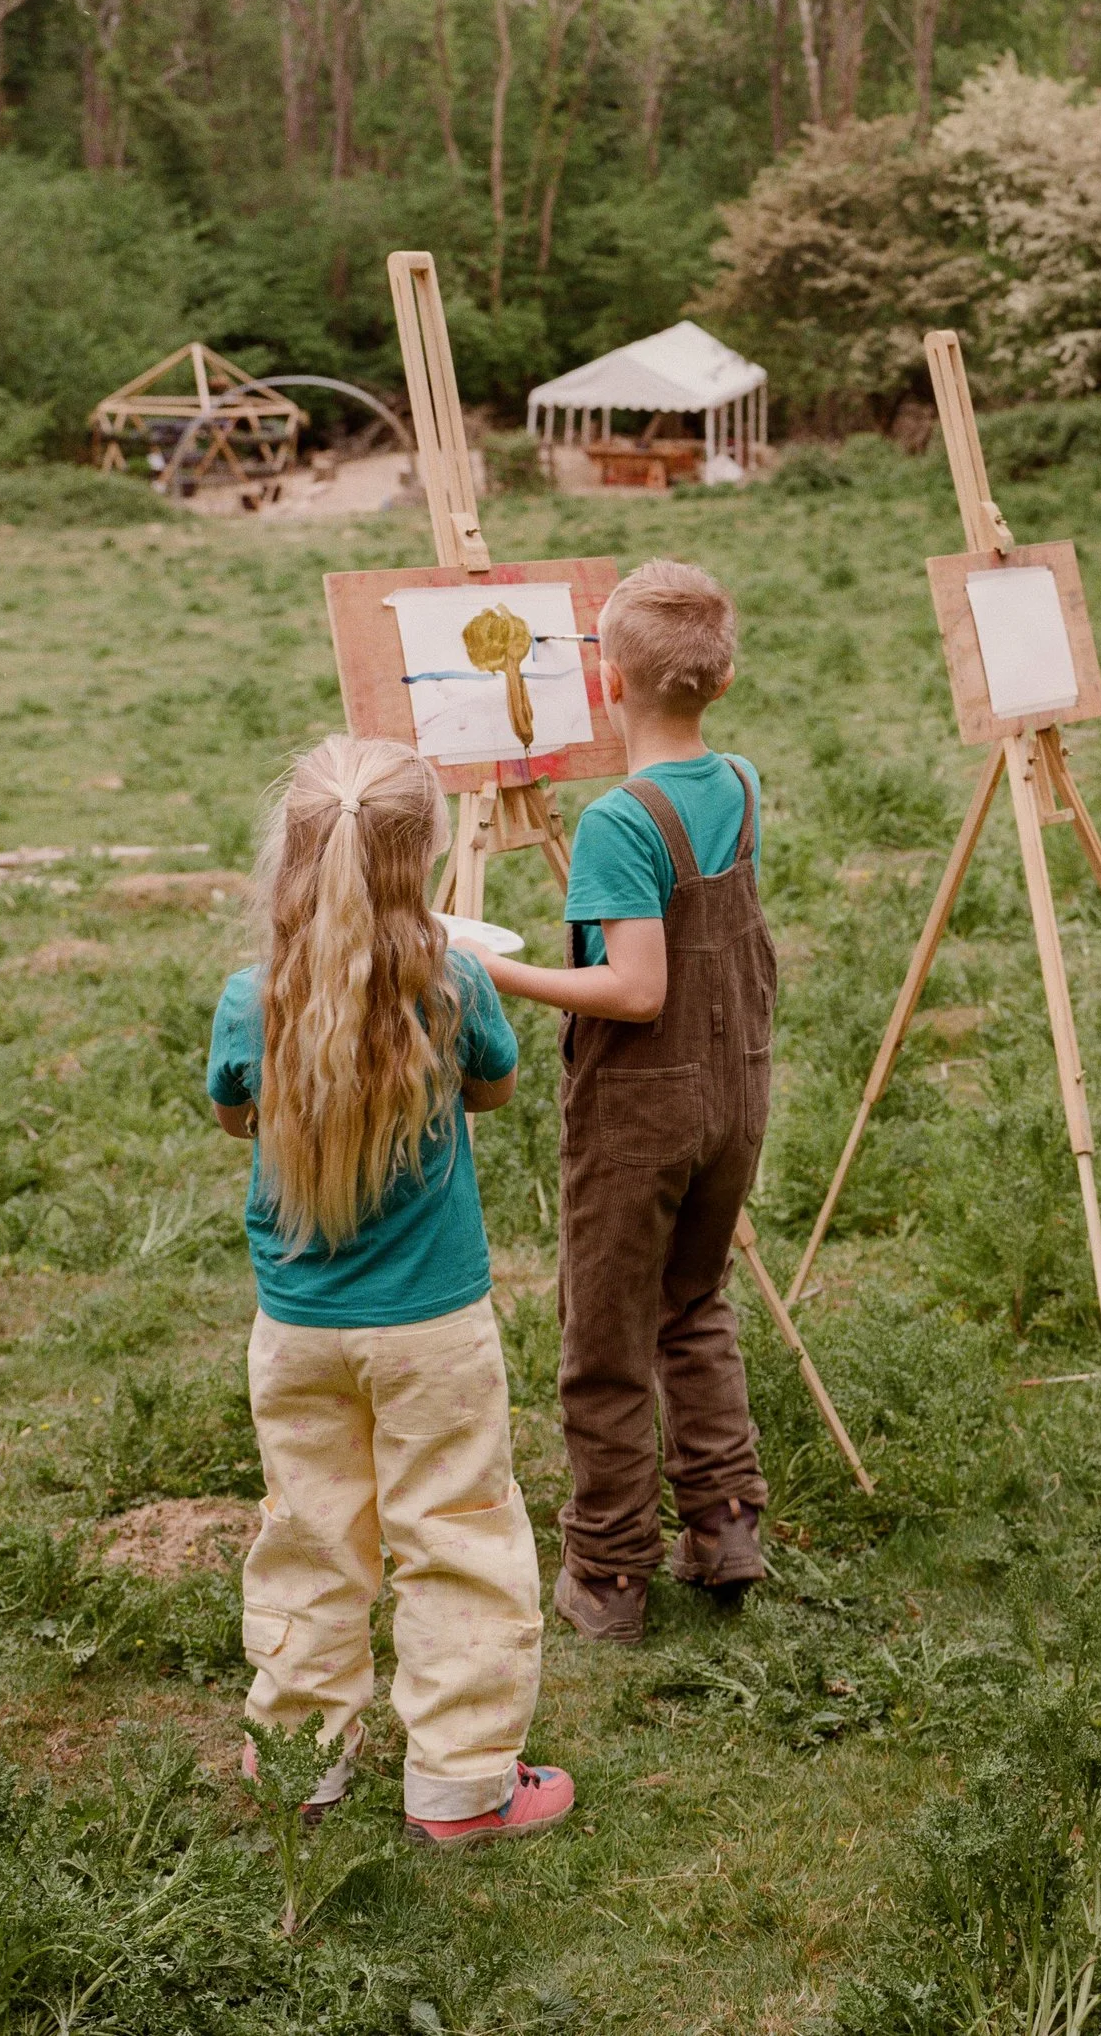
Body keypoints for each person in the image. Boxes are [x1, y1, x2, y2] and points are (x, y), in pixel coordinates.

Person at [207, 733, 571, 1847]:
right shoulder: (453, 982)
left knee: (309, 1538)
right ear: (422, 863)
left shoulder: (249, 995)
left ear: (293, 857)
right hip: (433, 1333)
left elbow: (235, 1116)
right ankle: (461, 1789)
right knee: (455, 1533)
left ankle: (299, 1768)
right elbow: (498, 1089)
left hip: (298, 1331)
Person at [473, 558, 772, 1644]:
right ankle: (727, 1519)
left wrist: (488, 970)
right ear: (719, 679)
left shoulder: (616, 820)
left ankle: (606, 1573)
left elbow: (636, 989)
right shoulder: (737, 780)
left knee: (603, 1338)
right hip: (737, 1093)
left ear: (608, 680)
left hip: (641, 1112)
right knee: (692, 1305)